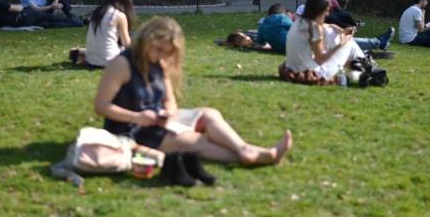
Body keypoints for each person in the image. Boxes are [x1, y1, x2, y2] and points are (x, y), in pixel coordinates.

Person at [94, 16, 293, 164]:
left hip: (156, 120)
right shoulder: (121, 64)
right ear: (146, 40)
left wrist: (169, 112)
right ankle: (256, 156)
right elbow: (101, 106)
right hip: (129, 129)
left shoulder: (159, 63)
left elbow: (169, 99)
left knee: (209, 114)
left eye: (166, 52)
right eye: (157, 49)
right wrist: (137, 117)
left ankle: (245, 149)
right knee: (195, 141)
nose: (160, 56)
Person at [284, 0, 366, 82]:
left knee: (331, 33)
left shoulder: (299, 22)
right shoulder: (314, 28)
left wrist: (341, 30)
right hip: (314, 72)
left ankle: (359, 70)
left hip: (293, 68)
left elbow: (325, 26)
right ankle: (367, 68)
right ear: (319, 10)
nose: (327, 14)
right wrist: (341, 43)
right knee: (349, 44)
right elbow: (320, 59)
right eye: (326, 10)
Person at [70, 0, 135, 68]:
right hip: (111, 61)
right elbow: (127, 45)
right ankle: (82, 53)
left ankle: (81, 53)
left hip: (91, 60)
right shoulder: (119, 15)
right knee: (133, 37)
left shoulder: (96, 12)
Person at [295, 3, 394, 51]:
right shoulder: (305, 28)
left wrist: (343, 31)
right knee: (346, 41)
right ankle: (379, 42)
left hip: (324, 45)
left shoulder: (305, 25)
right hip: (323, 49)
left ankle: (378, 43)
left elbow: (329, 25)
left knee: (346, 39)